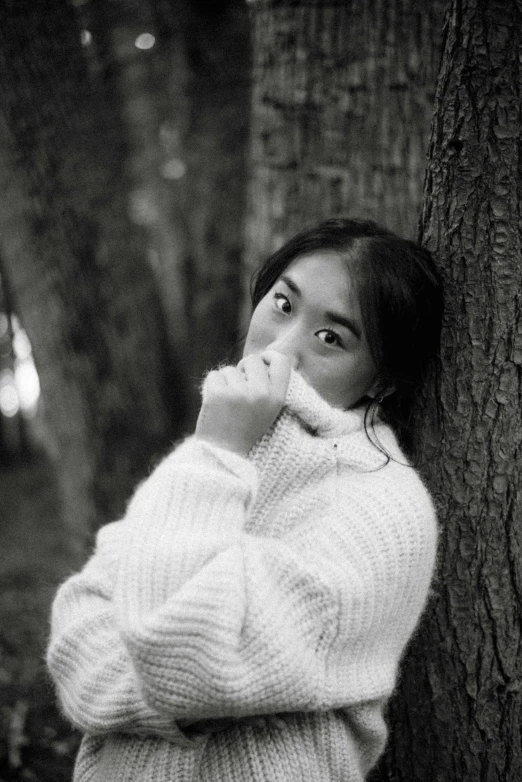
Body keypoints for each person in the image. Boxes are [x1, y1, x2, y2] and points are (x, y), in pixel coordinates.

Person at [47, 218, 443, 782]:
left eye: (331, 337)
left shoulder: (381, 511)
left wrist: (216, 449)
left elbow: (184, 660)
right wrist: (182, 704)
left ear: (382, 381)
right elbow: (77, 631)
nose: (281, 349)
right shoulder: (230, 449)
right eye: (283, 304)